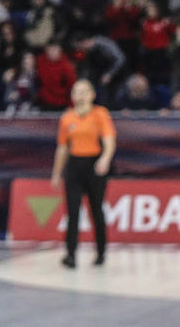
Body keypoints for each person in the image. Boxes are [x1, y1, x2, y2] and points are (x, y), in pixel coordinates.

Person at [50, 79, 115, 269]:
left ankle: (101, 252)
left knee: (96, 209)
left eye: (84, 91)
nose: (80, 95)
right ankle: (70, 254)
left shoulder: (100, 114)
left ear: (92, 94)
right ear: (72, 96)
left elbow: (109, 140)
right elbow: (62, 148)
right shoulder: (67, 118)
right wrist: (56, 173)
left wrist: (105, 159)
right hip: (74, 165)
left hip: (94, 165)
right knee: (72, 212)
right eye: (76, 91)